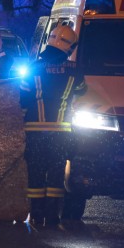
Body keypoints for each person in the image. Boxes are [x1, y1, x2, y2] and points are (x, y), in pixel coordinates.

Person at [19, 25, 84, 227]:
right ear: (69, 47)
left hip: (34, 130)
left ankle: (36, 215)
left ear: (50, 39)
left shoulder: (33, 67)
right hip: (61, 132)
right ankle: (53, 218)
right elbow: (82, 90)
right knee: (56, 173)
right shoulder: (74, 71)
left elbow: (22, 96)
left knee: (36, 171)